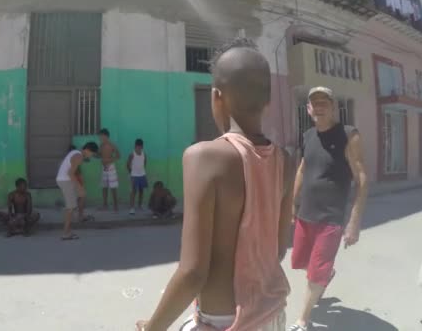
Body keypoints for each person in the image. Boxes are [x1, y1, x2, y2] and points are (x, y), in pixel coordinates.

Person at [136, 38, 293, 331]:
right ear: (267, 101)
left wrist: (152, 327)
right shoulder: (285, 160)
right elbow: (278, 249)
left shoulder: (204, 157)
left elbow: (193, 272)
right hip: (272, 314)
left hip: (223, 322)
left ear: (216, 96)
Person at [289, 87, 368, 331]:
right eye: (315, 103)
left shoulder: (348, 135)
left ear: (334, 106)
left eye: (325, 102)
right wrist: (293, 203)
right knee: (299, 261)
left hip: (331, 218)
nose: (319, 106)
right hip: (306, 214)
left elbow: (361, 179)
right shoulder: (308, 135)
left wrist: (354, 222)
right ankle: (326, 274)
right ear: (309, 109)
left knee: (314, 274)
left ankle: (303, 320)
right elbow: (303, 168)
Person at [56, 142, 99, 241]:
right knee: (70, 207)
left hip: (64, 179)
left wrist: (79, 189)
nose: (91, 156)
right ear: (87, 150)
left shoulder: (76, 152)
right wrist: (78, 186)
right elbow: (71, 173)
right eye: (92, 154)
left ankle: (79, 216)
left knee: (82, 195)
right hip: (65, 180)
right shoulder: (79, 156)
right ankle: (66, 233)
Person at [98, 129, 120, 212]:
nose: (100, 137)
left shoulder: (112, 145)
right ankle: (105, 205)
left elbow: (118, 155)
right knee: (104, 187)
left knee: (113, 187)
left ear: (106, 136)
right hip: (104, 168)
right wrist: (92, 154)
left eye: (101, 136)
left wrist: (110, 160)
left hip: (110, 167)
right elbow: (99, 155)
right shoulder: (101, 146)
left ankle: (115, 206)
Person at [128, 138, 148, 215]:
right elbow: (128, 164)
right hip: (134, 175)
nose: (139, 148)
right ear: (135, 146)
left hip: (142, 174)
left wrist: (142, 172)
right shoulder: (132, 154)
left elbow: (144, 163)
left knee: (141, 191)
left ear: (142, 147)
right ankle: (132, 208)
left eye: (140, 147)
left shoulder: (144, 154)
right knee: (133, 191)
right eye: (137, 147)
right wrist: (131, 173)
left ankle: (140, 205)